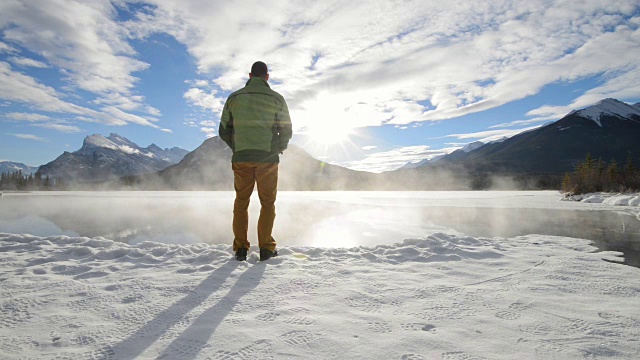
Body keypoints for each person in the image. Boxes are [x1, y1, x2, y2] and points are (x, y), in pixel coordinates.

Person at [218, 61, 293, 261]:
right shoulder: (277, 99)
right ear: (267, 77)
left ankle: (241, 248)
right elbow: (286, 130)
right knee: (267, 203)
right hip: (267, 159)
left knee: (241, 202)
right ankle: (266, 248)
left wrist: (238, 147)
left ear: (250, 76)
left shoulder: (234, 98)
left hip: (241, 158)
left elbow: (223, 130)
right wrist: (277, 148)